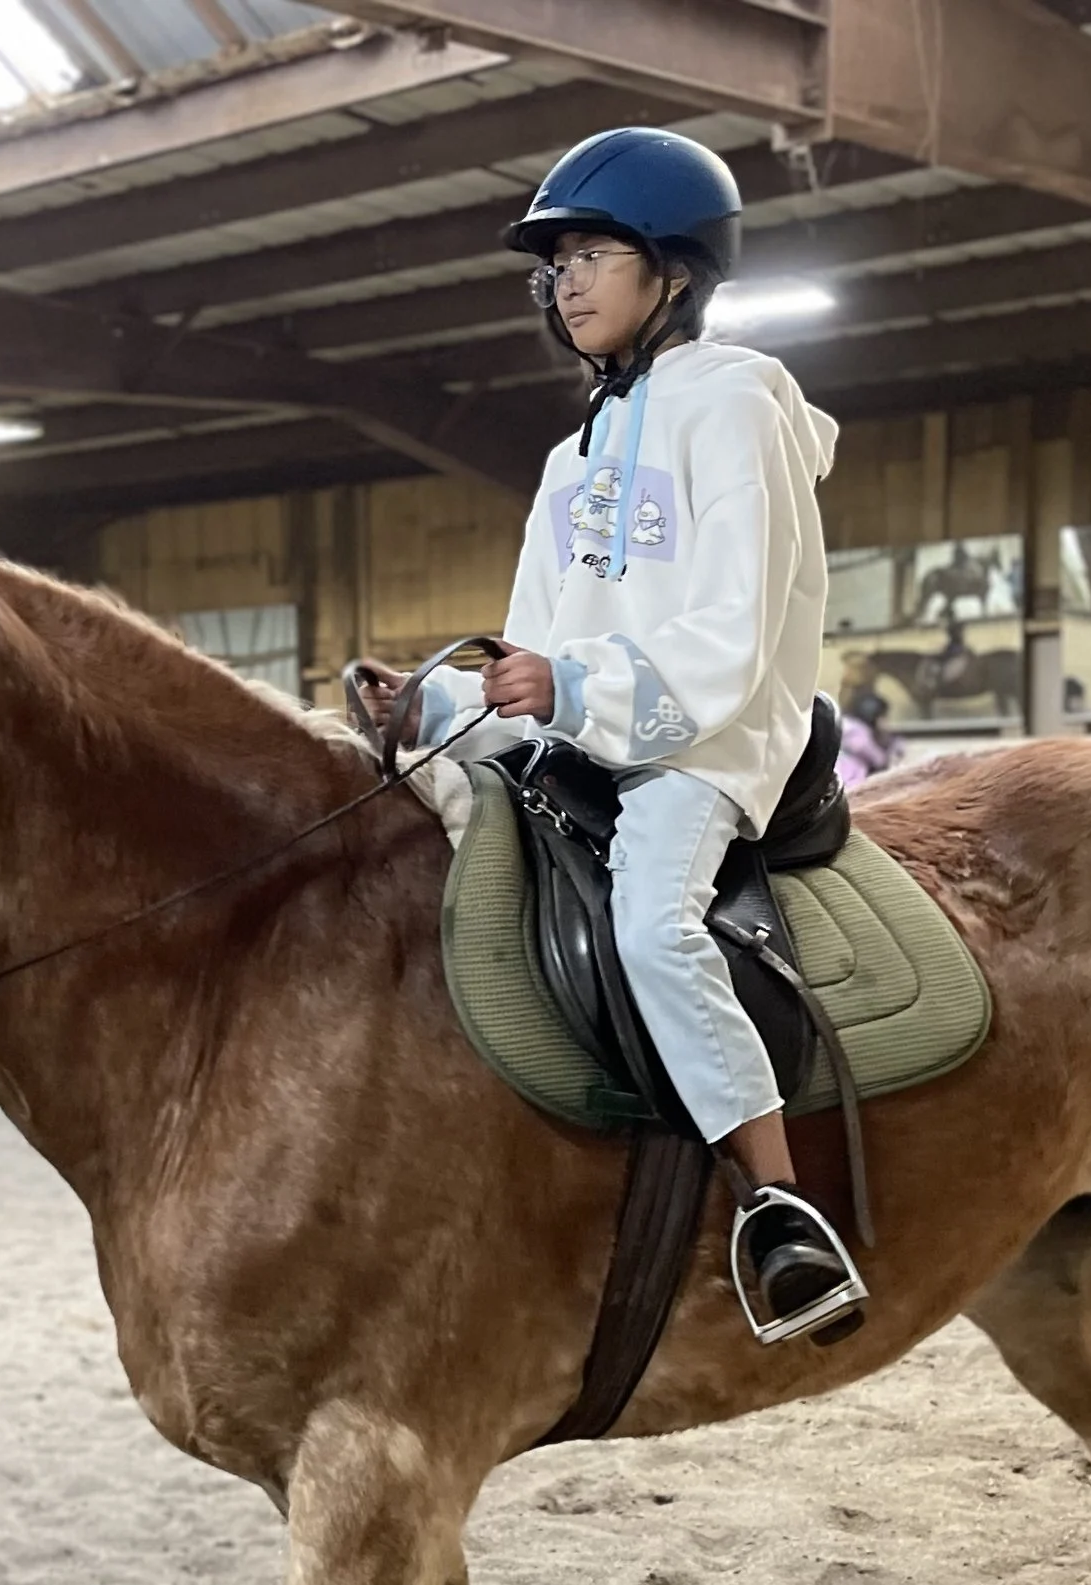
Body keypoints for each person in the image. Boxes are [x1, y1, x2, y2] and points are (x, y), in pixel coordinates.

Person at [355, 129, 862, 1346]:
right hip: (583, 725)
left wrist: (572, 682)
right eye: (556, 263)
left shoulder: (737, 403)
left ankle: (777, 1202)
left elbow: (731, 630)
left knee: (649, 920)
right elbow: (537, 634)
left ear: (674, 272)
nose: (565, 280)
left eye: (594, 254)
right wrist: (438, 705)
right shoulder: (569, 449)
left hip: (708, 736)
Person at [836, 687, 901, 790]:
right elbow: (878, 760)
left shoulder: (844, 725)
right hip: (850, 783)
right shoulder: (856, 732)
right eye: (883, 716)